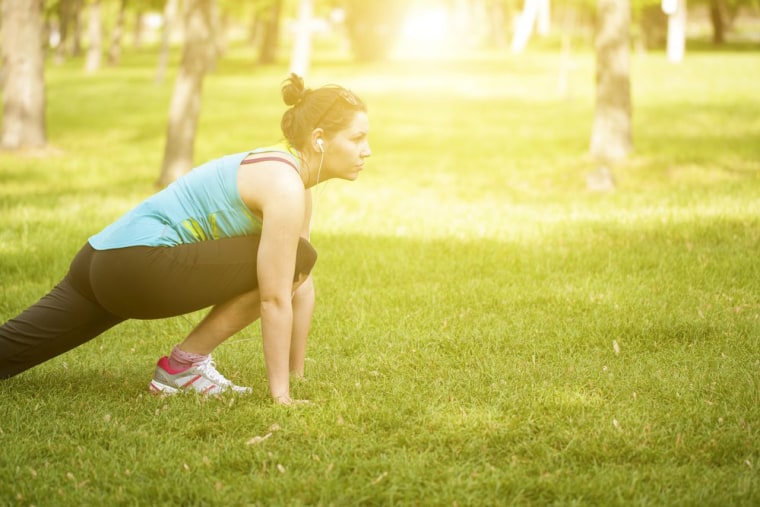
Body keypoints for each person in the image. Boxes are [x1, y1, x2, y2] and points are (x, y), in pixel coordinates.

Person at [0, 74, 371, 405]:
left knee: (10, 349)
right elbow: (276, 294)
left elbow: (299, 284)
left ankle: (185, 367)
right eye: (357, 139)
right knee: (297, 260)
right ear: (319, 139)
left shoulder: (288, 178)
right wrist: (281, 396)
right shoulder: (285, 186)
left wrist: (297, 373)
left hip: (100, 259)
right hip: (136, 266)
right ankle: (183, 366)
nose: (366, 151)